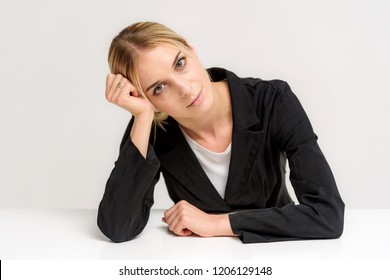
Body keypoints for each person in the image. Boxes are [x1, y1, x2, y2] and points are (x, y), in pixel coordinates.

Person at [97, 21, 344, 243]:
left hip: (282, 255)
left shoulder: (272, 100)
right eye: (159, 88)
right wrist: (141, 116)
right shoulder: (153, 127)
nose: (184, 88)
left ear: (191, 50)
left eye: (180, 64)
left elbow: (327, 214)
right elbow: (117, 227)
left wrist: (216, 224)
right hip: (195, 263)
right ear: (145, 99)